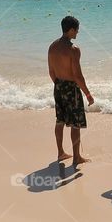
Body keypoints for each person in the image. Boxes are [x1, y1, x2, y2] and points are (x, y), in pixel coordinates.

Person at [47, 16, 94, 164]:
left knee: (60, 120)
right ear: (71, 30)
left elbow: (51, 72)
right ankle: (77, 157)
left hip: (58, 85)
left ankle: (60, 152)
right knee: (75, 123)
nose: (78, 33)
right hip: (71, 88)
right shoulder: (73, 50)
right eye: (77, 30)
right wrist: (87, 93)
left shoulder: (52, 47)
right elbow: (78, 75)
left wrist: (59, 85)